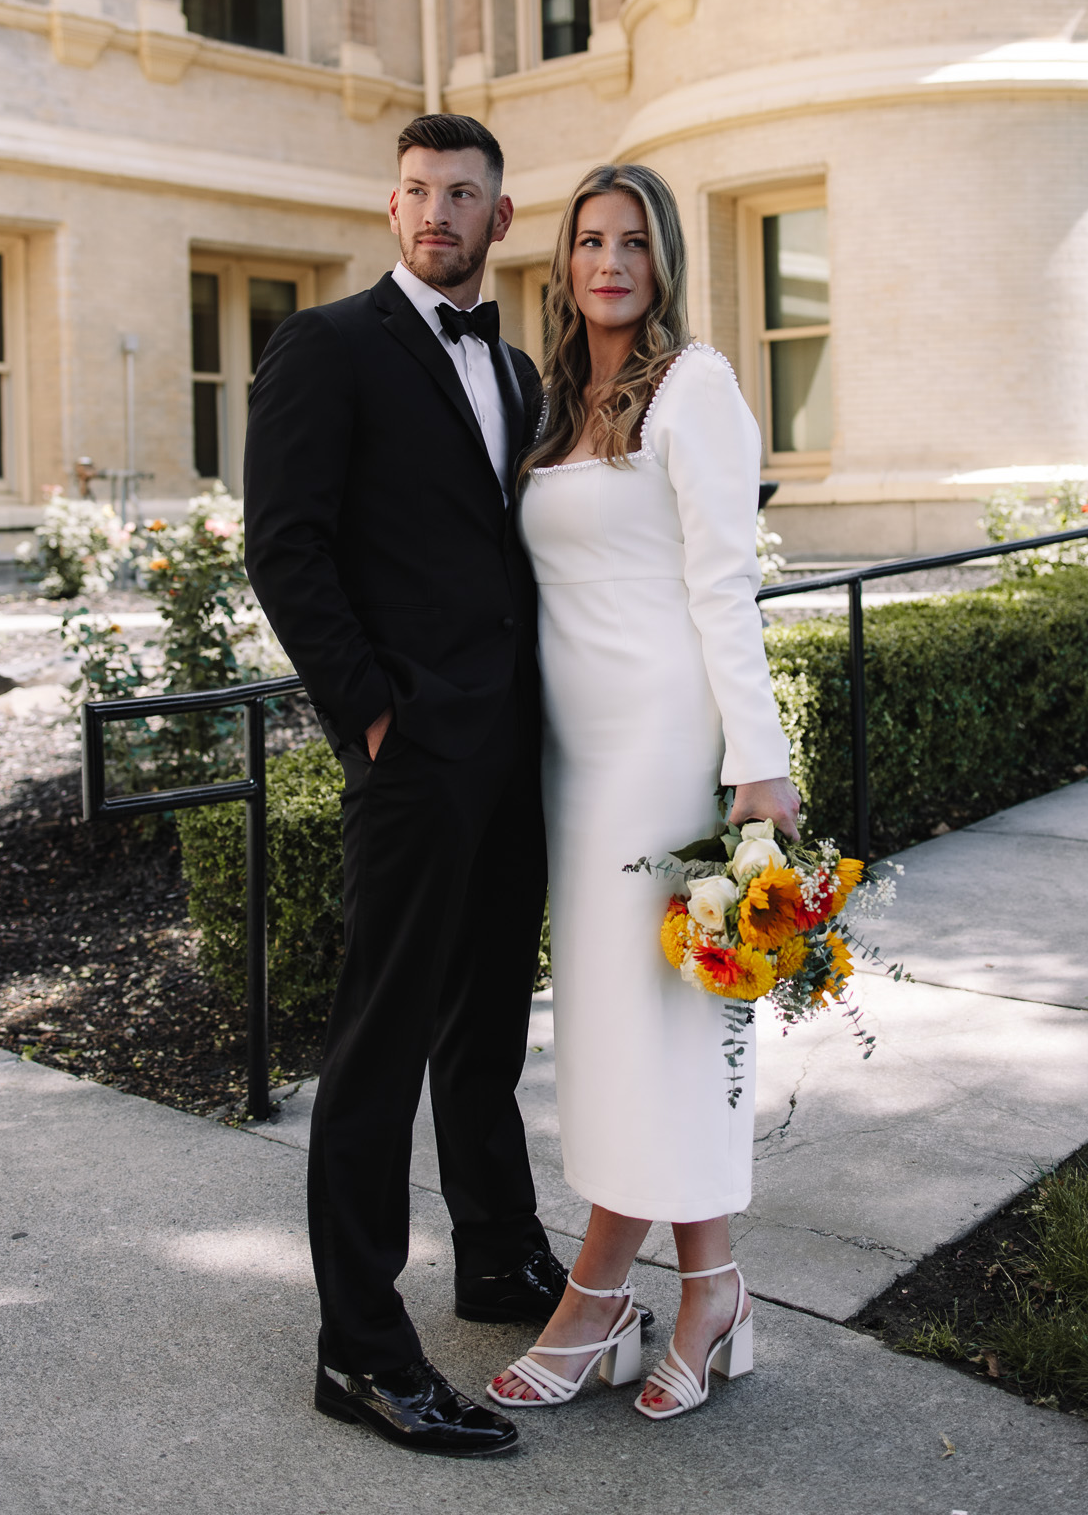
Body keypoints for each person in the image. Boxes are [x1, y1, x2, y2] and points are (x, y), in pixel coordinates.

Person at [244, 113, 564, 1458]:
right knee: (379, 1047)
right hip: (413, 758)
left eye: (465, 194)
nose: (439, 212)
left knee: (485, 1031)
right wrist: (370, 716)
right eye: (420, 191)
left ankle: (495, 1258)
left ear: (501, 218)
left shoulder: (522, 372)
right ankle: (360, 1349)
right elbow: (285, 546)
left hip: (514, 756)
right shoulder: (330, 346)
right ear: (393, 209)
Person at [490, 163, 800, 1421]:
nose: (608, 260)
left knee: (671, 1023)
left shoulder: (696, 384)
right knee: (619, 1033)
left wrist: (756, 760)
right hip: (576, 755)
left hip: (671, 744)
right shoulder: (553, 404)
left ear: (664, 258)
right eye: (588, 241)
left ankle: (603, 1295)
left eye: (632, 241)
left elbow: (725, 584)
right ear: (564, 263)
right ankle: (708, 1282)